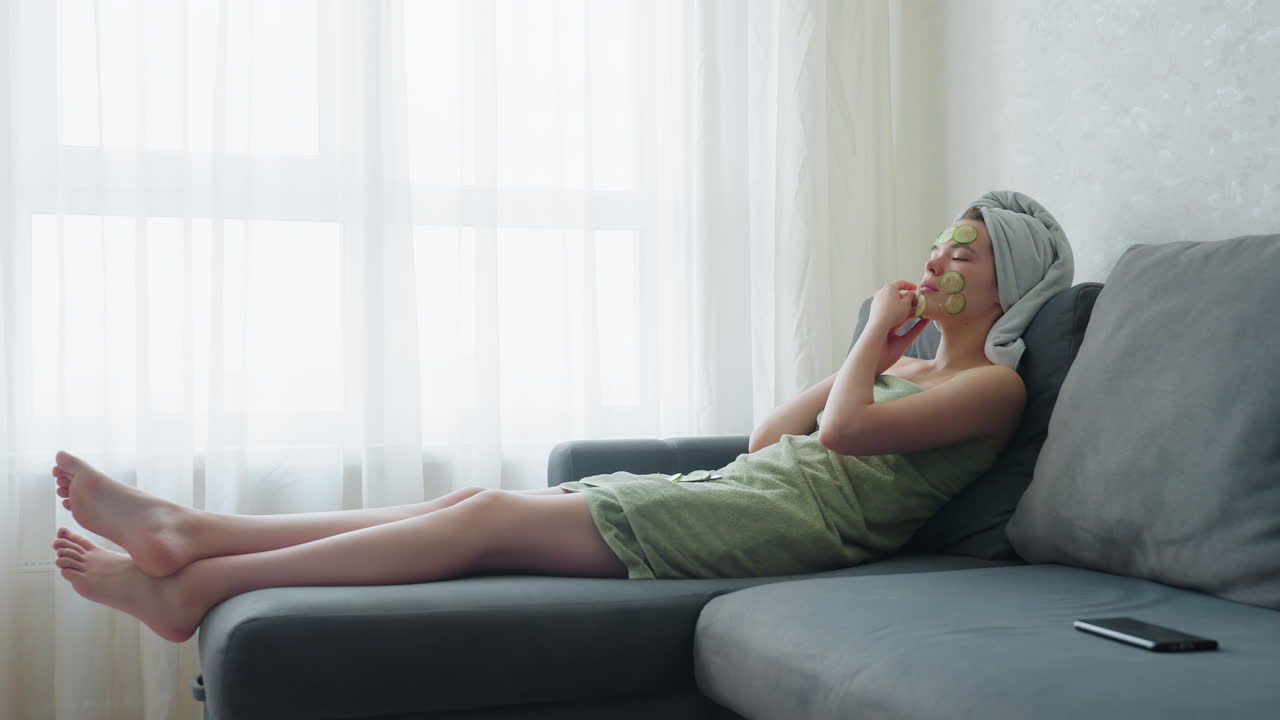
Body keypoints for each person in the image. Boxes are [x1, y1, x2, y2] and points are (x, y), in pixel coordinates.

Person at [52, 190, 1073, 644]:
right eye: (938, 244)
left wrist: (863, 354)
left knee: (480, 520)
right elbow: (772, 439)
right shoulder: (905, 371)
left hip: (789, 529)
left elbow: (841, 443)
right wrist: (877, 349)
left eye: (962, 254)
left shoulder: (994, 385)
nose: (935, 262)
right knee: (468, 501)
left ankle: (193, 587)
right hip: (749, 490)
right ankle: (195, 534)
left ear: (1008, 282)